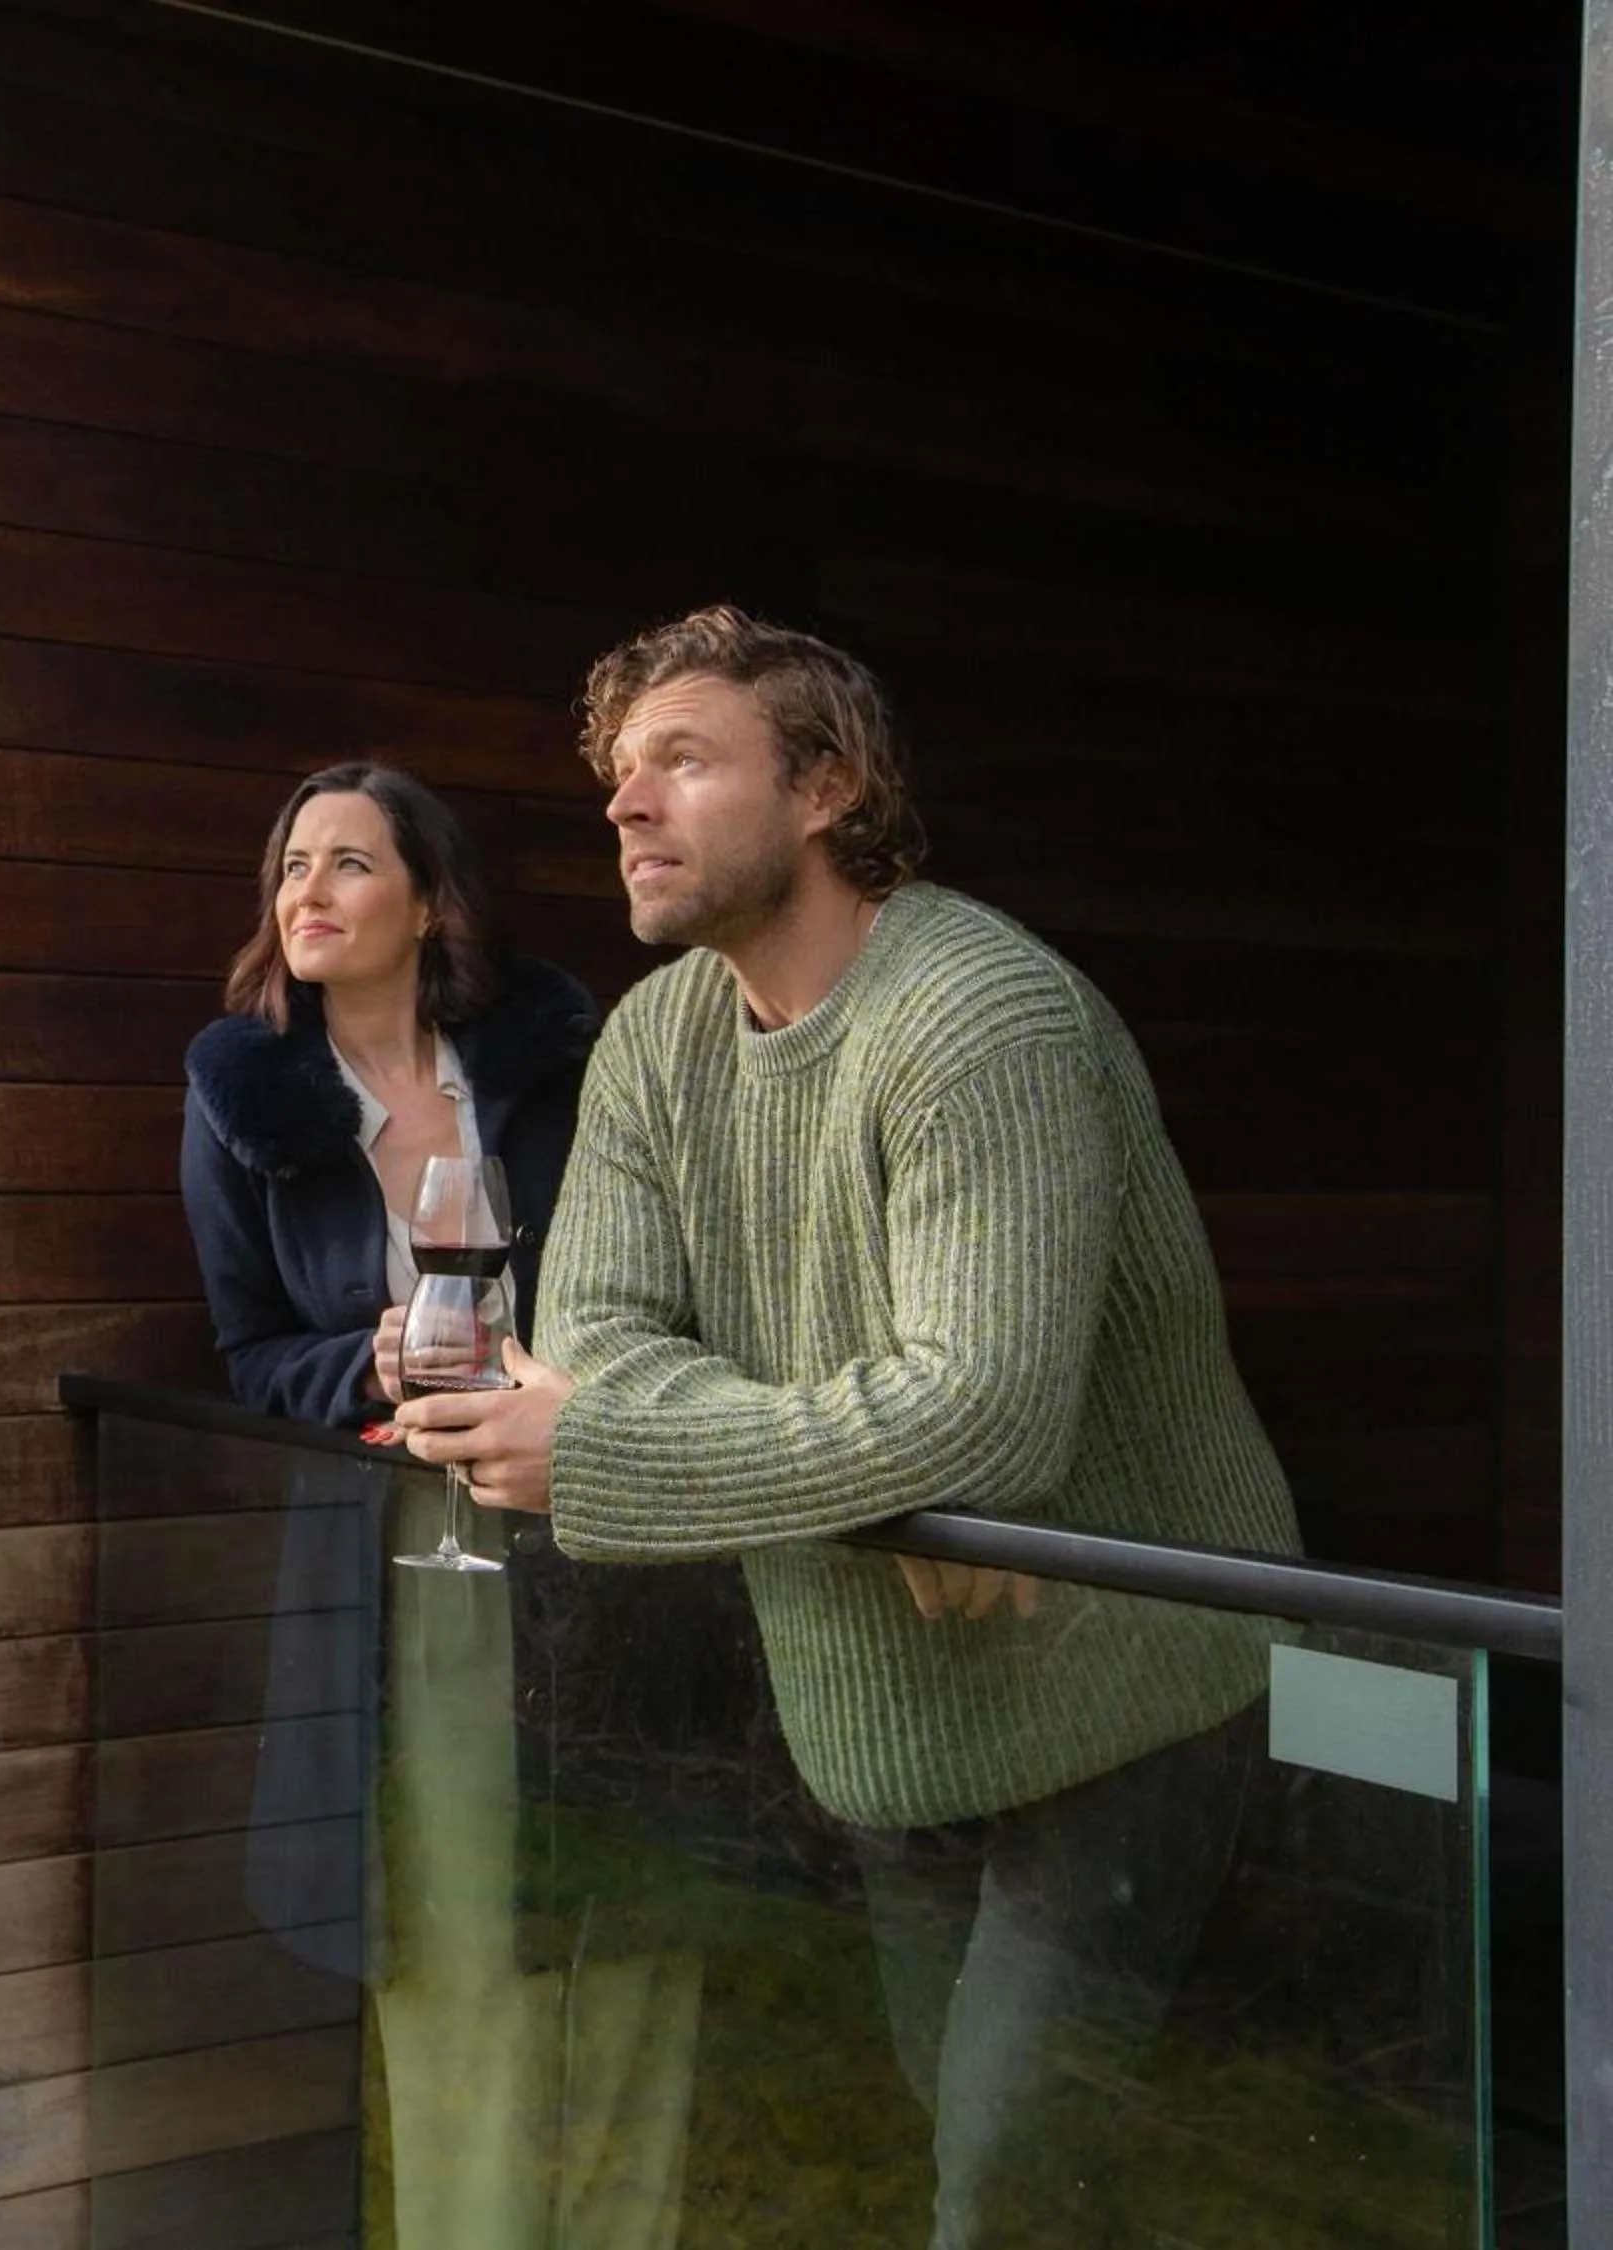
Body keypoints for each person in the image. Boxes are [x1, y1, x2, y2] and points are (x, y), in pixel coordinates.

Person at [396, 607, 1301, 2248]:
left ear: (824, 785)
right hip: (883, 1709)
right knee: (962, 2136)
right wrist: (874, 1484)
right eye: (617, 773)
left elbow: (984, 1410)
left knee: (1005, 2195)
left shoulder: (980, 1019)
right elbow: (594, 1335)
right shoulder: (662, 1041)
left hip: (1123, 1689)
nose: (624, 804)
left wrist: (618, 1448)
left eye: (681, 758)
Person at [182, 762, 697, 2249]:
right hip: (414, 1555)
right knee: (455, 1934)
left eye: (349, 863)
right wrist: (370, 1353)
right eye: (292, 865)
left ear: (427, 901)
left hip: (601, 1523)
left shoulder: (552, 1065)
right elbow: (250, 1355)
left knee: (641, 1930)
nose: (309, 892)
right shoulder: (244, 1093)